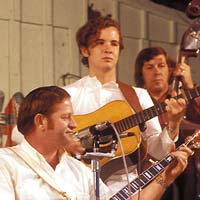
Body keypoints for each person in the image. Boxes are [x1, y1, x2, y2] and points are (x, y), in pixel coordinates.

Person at [62, 14, 187, 194]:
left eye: (114, 43)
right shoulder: (67, 94)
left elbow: (157, 152)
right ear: (84, 50)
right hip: (75, 188)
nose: (108, 49)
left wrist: (173, 124)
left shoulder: (138, 96)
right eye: (100, 42)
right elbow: (24, 134)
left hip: (124, 190)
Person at [0, 86, 194, 200]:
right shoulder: (6, 163)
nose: (74, 124)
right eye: (65, 118)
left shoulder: (81, 171)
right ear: (41, 121)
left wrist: (165, 178)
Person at [134, 46, 200, 200]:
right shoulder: (136, 101)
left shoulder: (182, 97)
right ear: (141, 73)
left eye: (161, 66)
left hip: (183, 171)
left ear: (171, 70)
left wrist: (189, 85)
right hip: (147, 169)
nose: (157, 72)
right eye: (149, 67)